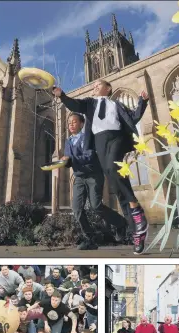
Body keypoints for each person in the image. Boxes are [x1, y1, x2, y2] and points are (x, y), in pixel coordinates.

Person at [52, 80, 149, 254]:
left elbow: (134, 117)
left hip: (116, 138)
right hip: (100, 142)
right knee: (118, 187)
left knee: (112, 168)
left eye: (98, 85)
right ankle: (137, 234)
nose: (95, 88)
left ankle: (135, 206)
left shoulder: (116, 104)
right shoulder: (90, 103)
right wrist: (62, 96)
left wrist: (142, 102)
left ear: (108, 88)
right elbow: (75, 104)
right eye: (94, 86)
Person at [61, 112, 127, 250]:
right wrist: (62, 162)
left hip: (93, 175)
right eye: (69, 123)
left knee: (96, 206)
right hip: (79, 177)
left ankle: (121, 223)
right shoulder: (68, 141)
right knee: (77, 209)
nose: (71, 125)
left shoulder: (88, 137)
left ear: (81, 123)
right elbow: (68, 160)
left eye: (74, 122)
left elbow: (90, 155)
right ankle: (90, 239)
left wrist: (72, 160)